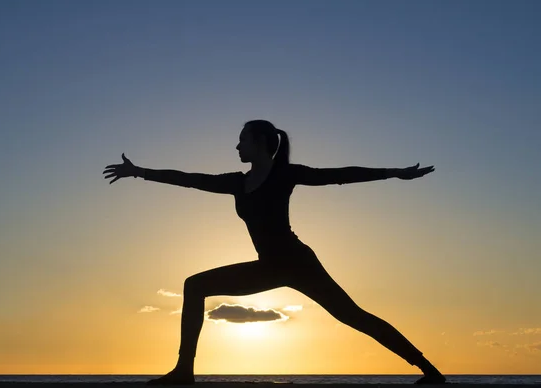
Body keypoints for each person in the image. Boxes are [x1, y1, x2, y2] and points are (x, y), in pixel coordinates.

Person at [103, 119, 445, 385]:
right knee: (195, 285)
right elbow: (189, 179)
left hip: (298, 263)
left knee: (352, 316)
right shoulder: (237, 182)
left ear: (260, 143)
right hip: (267, 267)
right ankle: (183, 370)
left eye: (243, 139)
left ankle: (429, 369)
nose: (237, 145)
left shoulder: (286, 175)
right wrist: (139, 172)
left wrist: (393, 173)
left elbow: (339, 175)